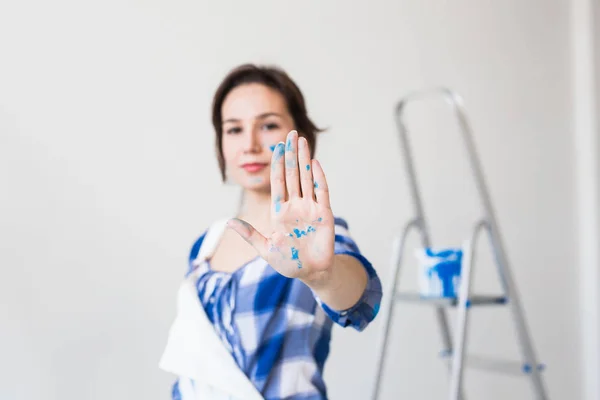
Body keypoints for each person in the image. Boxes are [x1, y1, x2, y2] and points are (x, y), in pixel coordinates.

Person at [160, 64, 383, 400]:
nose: (249, 144)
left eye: (268, 125)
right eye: (233, 129)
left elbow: (359, 300)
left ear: (302, 136)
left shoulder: (315, 239)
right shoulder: (205, 245)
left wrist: (323, 276)